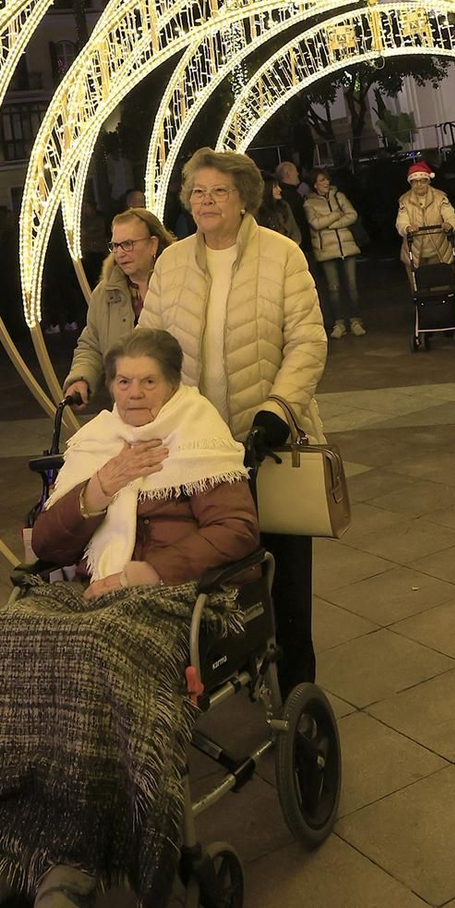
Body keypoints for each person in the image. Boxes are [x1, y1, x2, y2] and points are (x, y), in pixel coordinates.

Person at [0, 329, 258, 908]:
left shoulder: (200, 436)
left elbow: (237, 531)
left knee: (91, 653)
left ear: (172, 384)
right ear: (110, 387)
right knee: (9, 636)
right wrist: (100, 488)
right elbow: (48, 546)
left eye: (148, 382)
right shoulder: (96, 442)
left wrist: (144, 571)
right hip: (89, 584)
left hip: (173, 594)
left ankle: (73, 871)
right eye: (123, 382)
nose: (134, 394)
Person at [140, 146, 328, 693]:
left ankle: (298, 689)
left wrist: (278, 410)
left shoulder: (282, 254)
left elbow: (307, 342)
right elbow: (150, 347)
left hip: (270, 444)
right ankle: (232, 667)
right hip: (199, 454)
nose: (206, 201)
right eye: (197, 192)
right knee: (215, 574)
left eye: (218, 191)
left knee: (286, 579)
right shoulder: (171, 262)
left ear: (243, 197)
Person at [64, 207, 173, 409]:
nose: (120, 253)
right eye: (115, 246)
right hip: (129, 407)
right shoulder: (105, 294)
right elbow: (91, 345)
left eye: (128, 244)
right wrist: (81, 378)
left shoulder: (179, 284)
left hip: (176, 406)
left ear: (153, 244)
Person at [305, 170, 364, 338]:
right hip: (326, 250)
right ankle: (339, 323)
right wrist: (337, 215)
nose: (326, 183)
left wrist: (330, 224)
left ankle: (355, 320)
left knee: (351, 285)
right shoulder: (309, 203)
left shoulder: (339, 196)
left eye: (327, 179)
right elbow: (315, 224)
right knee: (334, 287)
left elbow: (352, 215)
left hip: (347, 247)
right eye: (322, 180)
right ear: (314, 184)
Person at [396, 160, 455, 269]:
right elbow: (401, 221)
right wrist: (407, 228)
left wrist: (450, 224)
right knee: (418, 283)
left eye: (422, 181)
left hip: (439, 250)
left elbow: (450, 215)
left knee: (440, 282)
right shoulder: (405, 200)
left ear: (428, 181)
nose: (419, 185)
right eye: (415, 181)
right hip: (414, 252)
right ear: (411, 183)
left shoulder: (440, 197)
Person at [258, 175, 303, 247]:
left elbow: (295, 231)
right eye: (275, 187)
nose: (280, 189)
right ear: (267, 189)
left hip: (289, 249)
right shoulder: (258, 212)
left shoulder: (284, 206)